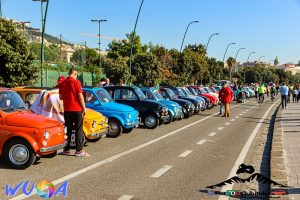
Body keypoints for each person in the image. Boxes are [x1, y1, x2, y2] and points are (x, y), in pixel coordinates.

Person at [59, 67, 90, 157]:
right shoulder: (77, 82)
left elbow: (61, 97)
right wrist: (84, 108)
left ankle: (66, 149)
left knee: (68, 130)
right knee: (78, 130)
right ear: (75, 73)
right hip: (76, 109)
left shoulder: (63, 83)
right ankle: (79, 151)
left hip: (67, 110)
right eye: (77, 75)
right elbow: (80, 96)